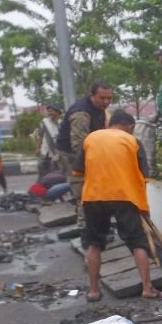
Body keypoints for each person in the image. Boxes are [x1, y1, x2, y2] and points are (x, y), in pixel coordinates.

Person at [72, 109, 162, 302]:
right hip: (125, 197)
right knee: (137, 243)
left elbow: (78, 171)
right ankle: (147, 288)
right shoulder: (132, 142)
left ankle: (93, 291)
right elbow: (145, 178)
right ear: (129, 126)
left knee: (94, 243)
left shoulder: (90, 139)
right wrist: (142, 205)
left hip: (94, 197)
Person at [58, 82, 113, 220]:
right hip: (73, 155)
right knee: (83, 191)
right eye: (102, 98)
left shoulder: (99, 108)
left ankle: (96, 223)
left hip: (89, 152)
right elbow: (79, 145)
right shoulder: (81, 113)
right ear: (92, 96)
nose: (106, 102)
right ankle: (85, 228)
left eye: (109, 98)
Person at [34, 103, 62, 178]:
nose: (50, 113)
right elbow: (40, 136)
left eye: (52, 111)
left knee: (58, 173)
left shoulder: (62, 123)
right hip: (46, 151)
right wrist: (37, 148)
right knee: (43, 171)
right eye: (49, 111)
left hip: (58, 152)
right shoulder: (44, 122)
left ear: (58, 112)